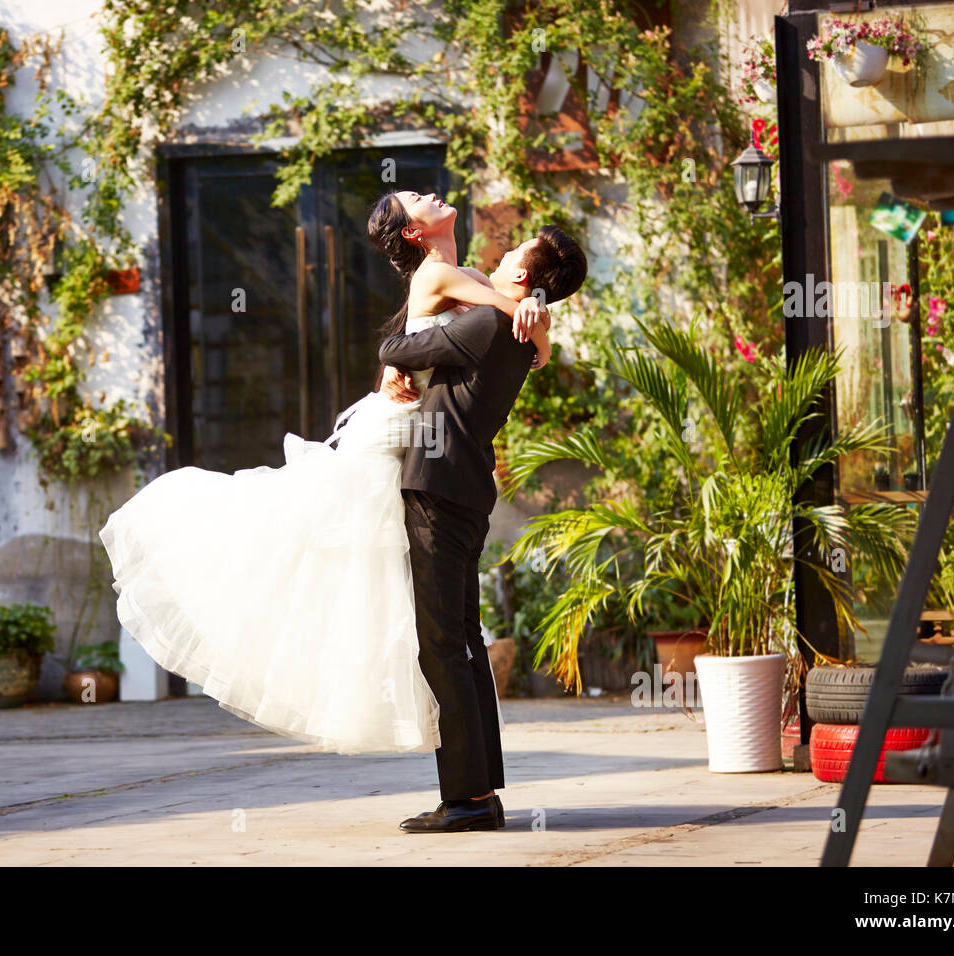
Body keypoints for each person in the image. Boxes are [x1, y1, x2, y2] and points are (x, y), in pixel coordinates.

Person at [98, 188, 551, 762]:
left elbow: (521, 326)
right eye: (415, 198)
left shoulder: (463, 274)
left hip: (421, 437)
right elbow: (509, 318)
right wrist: (533, 308)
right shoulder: (436, 275)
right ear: (413, 232)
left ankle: (467, 783)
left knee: (412, 601)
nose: (430, 194)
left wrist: (536, 308)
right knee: (326, 535)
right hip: (393, 429)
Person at [376, 218, 588, 833]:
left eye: (512, 252)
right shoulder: (518, 330)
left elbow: (397, 349)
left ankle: (466, 801)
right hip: (466, 491)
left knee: (443, 647)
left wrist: (401, 355)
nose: (500, 254)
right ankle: (479, 794)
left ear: (521, 275)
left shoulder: (489, 321)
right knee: (464, 647)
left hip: (437, 490)